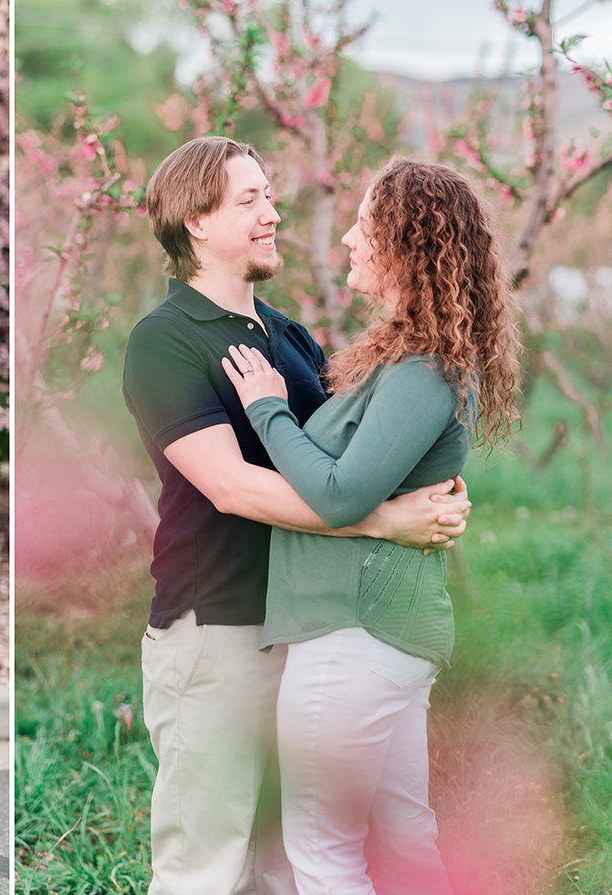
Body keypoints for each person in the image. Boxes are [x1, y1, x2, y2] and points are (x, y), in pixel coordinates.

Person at [121, 137, 473, 895]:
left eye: (270, 196)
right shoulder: (165, 342)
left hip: (308, 626)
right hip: (216, 621)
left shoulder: (289, 337)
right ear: (195, 222)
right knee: (207, 859)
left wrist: (438, 495)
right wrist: (383, 522)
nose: (273, 214)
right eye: (249, 201)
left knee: (291, 861)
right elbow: (234, 487)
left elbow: (347, 459)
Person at [222, 158, 519, 895]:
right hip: (374, 633)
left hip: (351, 636)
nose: (349, 238)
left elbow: (338, 494)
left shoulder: (425, 367)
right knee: (403, 836)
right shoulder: (410, 358)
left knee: (323, 851)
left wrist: (267, 409)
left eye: (365, 224)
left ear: (406, 244)